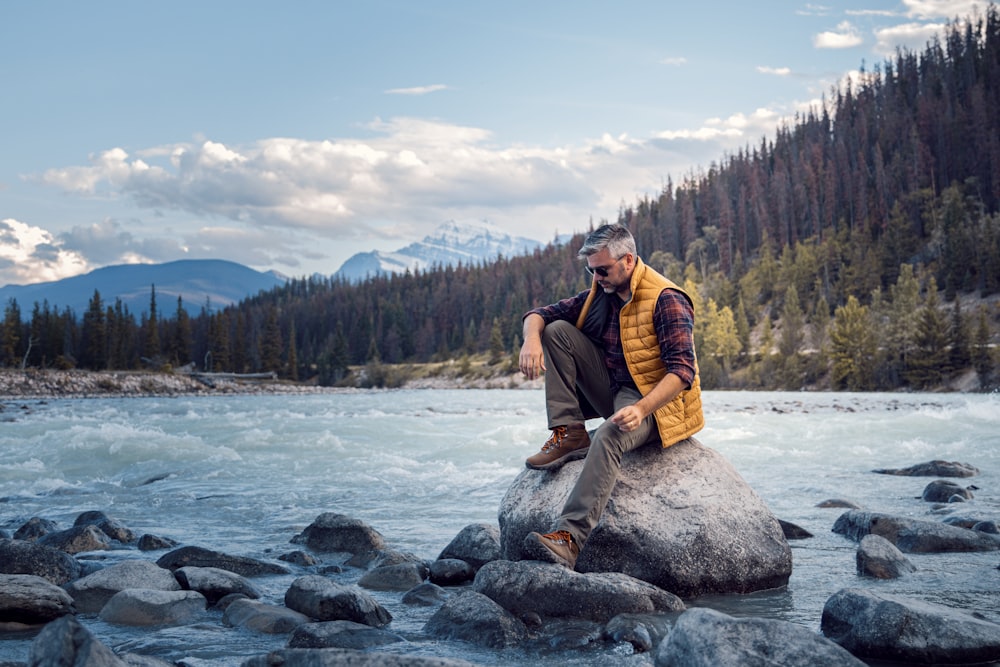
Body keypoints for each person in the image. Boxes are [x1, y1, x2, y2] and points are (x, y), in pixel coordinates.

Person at [518, 222, 704, 569]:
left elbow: (682, 373)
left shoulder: (667, 298)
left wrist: (641, 409)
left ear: (628, 261)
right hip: (614, 387)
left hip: (658, 403)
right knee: (556, 331)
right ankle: (570, 434)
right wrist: (531, 338)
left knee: (608, 435)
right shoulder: (600, 291)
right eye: (591, 270)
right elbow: (541, 315)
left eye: (602, 270)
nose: (596, 277)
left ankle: (569, 538)